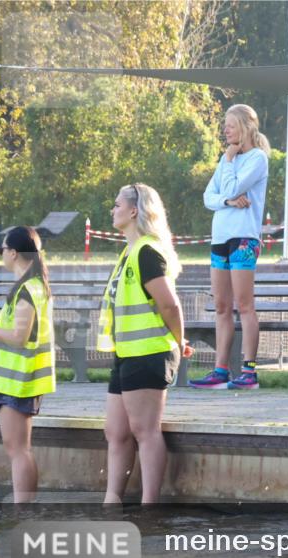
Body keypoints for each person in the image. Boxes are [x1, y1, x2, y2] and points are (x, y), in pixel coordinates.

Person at [98, 183, 193, 503]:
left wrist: (179, 340)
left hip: (149, 351)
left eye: (117, 204)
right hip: (126, 352)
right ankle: (112, 502)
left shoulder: (147, 251)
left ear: (134, 210)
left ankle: (150, 507)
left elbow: (170, 305)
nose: (112, 210)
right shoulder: (129, 252)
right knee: (116, 431)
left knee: (144, 430)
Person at [192, 103, 270, 390]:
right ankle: (220, 370)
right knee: (222, 306)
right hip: (220, 238)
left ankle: (249, 372)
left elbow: (232, 188)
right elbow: (209, 197)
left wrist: (228, 171)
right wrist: (226, 201)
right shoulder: (227, 160)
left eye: (230, 125)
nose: (225, 130)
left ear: (245, 127)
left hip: (243, 239)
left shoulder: (257, 158)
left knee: (245, 305)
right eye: (224, 125)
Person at [0, 227, 54, 502]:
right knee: (19, 449)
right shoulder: (31, 285)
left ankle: (22, 510)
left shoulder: (28, 289)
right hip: (18, 379)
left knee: (18, 450)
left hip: (19, 380)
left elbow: (19, 336)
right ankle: (23, 509)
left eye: (2, 250)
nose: (1, 254)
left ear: (14, 253)